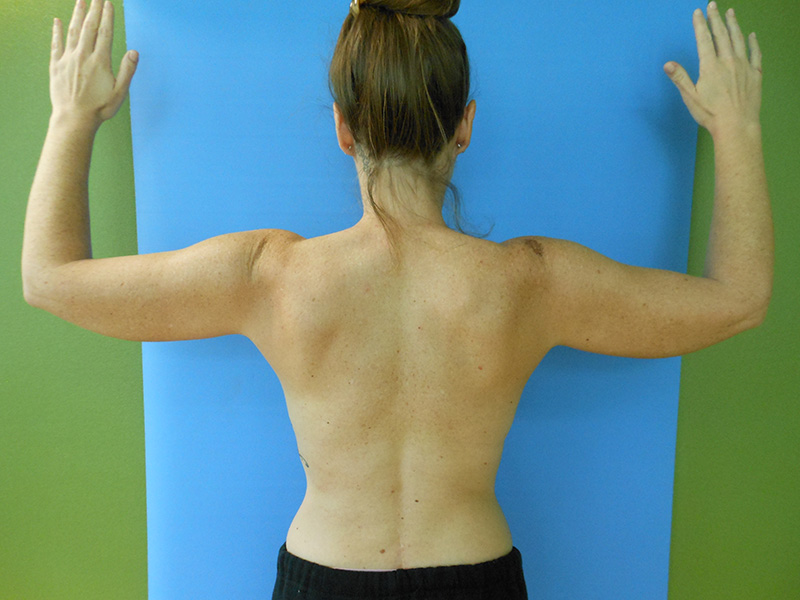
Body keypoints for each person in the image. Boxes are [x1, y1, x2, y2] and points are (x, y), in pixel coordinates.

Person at [22, 0, 771, 598]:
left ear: (344, 129)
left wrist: (71, 120)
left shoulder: (268, 275)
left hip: (322, 580)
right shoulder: (533, 283)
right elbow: (739, 300)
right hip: (477, 578)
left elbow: (48, 279)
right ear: (465, 127)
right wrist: (736, 130)